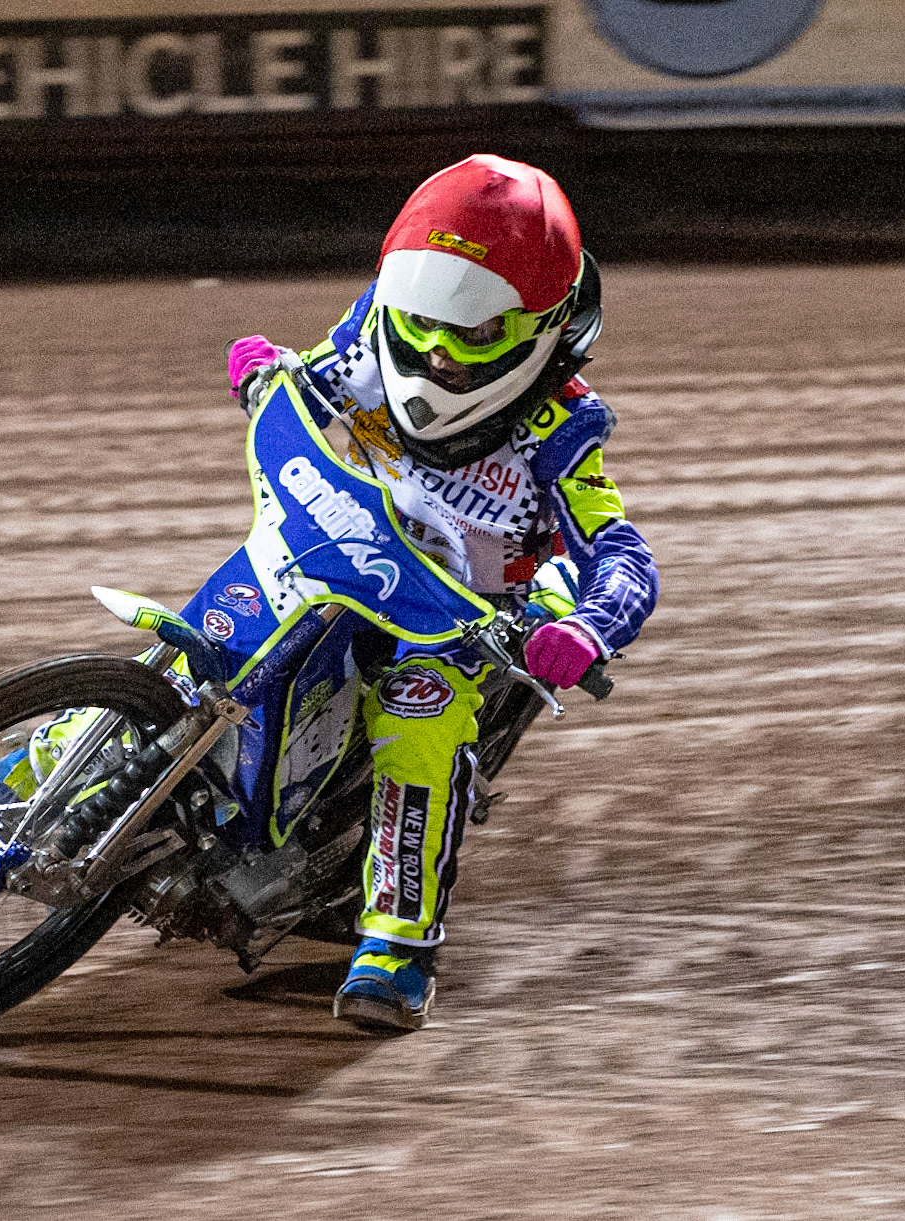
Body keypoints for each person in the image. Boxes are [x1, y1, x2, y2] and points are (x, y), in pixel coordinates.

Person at [224, 154, 659, 1032]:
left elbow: (623, 554)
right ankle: (44, 772)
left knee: (418, 719)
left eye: (471, 336)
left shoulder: (564, 427)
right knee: (223, 624)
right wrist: (268, 370)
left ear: (539, 331)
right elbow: (313, 376)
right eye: (423, 323)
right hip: (346, 551)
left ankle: (396, 947)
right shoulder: (380, 331)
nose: (434, 350)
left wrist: (586, 628)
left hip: (467, 614)